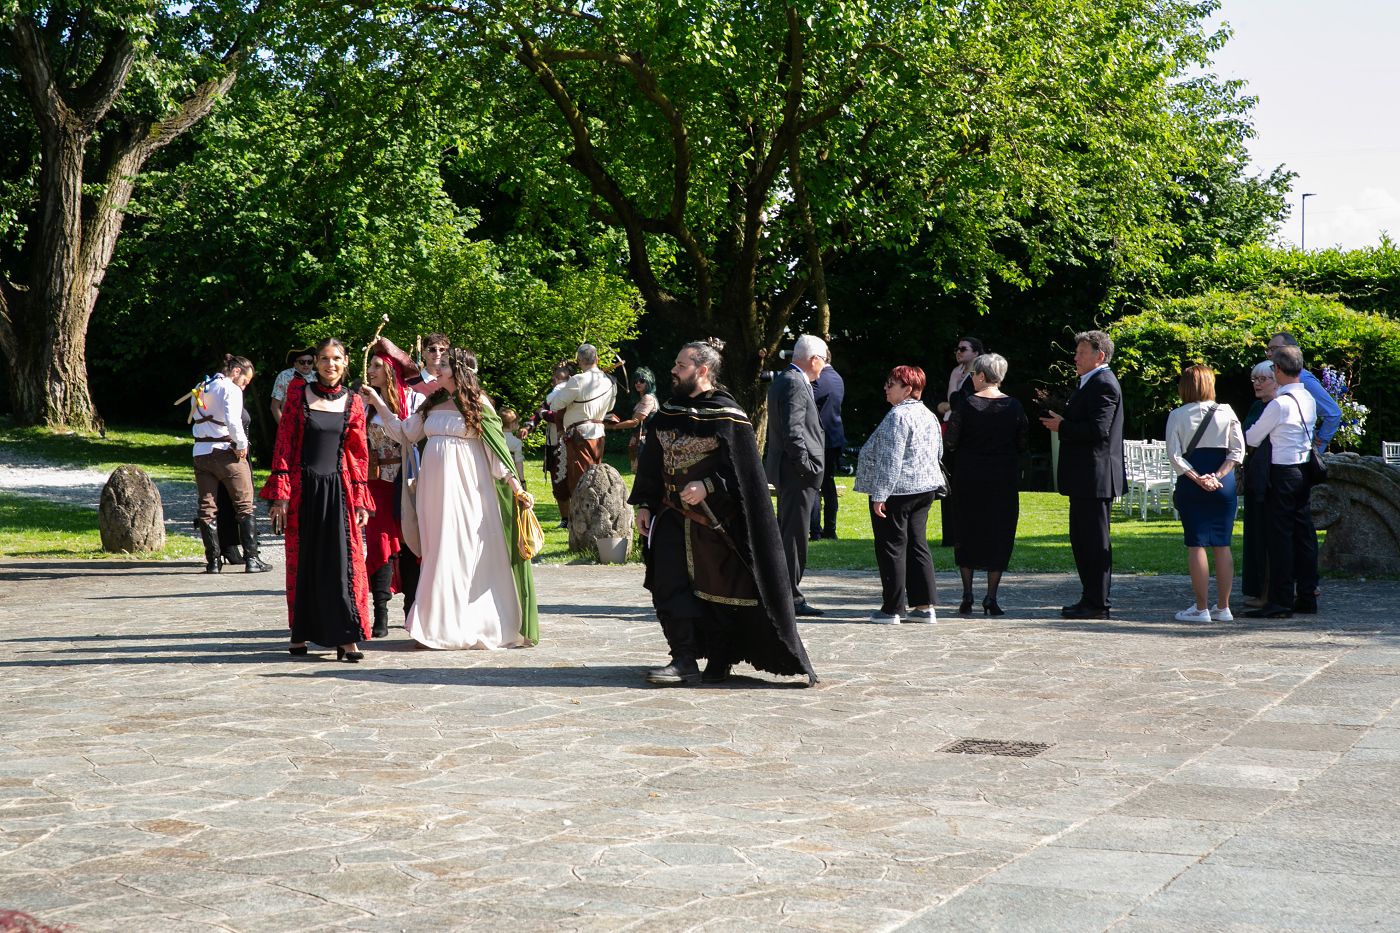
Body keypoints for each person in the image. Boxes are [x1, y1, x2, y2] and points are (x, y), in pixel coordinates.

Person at [629, 338, 817, 687]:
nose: (673, 370)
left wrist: (708, 486)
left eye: (681, 365)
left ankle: (720, 657)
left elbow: (745, 475)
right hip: (670, 516)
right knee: (669, 587)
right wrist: (644, 503)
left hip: (715, 524)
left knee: (718, 592)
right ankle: (683, 659)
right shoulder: (669, 410)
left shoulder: (728, 414)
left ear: (702, 370)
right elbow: (652, 463)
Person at [361, 348, 539, 650]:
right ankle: (435, 626)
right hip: (433, 491)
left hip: (468, 490)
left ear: (459, 371)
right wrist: (377, 402)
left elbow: (496, 451)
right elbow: (405, 433)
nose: (436, 367)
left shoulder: (478, 403)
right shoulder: (432, 402)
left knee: (461, 550)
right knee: (436, 550)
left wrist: (516, 486)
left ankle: (465, 624)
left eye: (444, 364)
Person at [261, 338, 374, 662]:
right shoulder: (298, 394)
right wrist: (281, 495)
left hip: (339, 491)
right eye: (324, 358)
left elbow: (358, 453)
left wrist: (360, 498)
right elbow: (284, 443)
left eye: (336, 358)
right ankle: (300, 634)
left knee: (341, 564)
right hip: (303, 491)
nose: (330, 364)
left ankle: (346, 638)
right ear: (316, 362)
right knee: (305, 563)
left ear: (345, 361)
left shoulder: (354, 401)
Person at [1040, 330, 1125, 619]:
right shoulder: (1090, 381)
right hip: (1085, 478)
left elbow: (1099, 430)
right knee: (1082, 541)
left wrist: (1062, 427)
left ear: (1099, 356)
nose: (1075, 358)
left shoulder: (1104, 383)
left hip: (1095, 478)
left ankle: (1098, 603)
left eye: (1081, 353)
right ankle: (1090, 598)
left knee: (1094, 543)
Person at [853, 365, 945, 624]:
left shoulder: (898, 416)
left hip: (898, 492)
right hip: (925, 489)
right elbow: (938, 453)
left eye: (891, 384)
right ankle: (924, 607)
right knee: (917, 545)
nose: (886, 388)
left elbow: (890, 460)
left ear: (908, 389)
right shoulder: (929, 414)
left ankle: (892, 609)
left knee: (891, 547)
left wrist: (880, 495)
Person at [944, 353, 1027, 616]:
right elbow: (1022, 442)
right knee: (999, 532)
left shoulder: (967, 404)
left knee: (966, 529)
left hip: (969, 475)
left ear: (981, 375)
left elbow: (951, 441)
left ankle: (967, 593)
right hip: (1002, 477)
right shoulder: (1014, 406)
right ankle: (991, 595)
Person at [1244, 345, 1320, 618]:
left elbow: (1252, 437)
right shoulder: (1308, 398)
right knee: (1304, 535)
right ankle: (1307, 595)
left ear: (1277, 370)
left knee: (1280, 538)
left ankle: (1281, 600)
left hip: (1282, 473)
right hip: (1303, 469)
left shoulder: (1280, 403)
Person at [1165, 365, 1246, 623]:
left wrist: (1198, 478)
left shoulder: (1177, 415)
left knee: (1196, 543)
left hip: (1192, 483)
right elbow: (1237, 452)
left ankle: (1201, 609)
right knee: (1222, 544)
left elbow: (1174, 455)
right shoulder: (1227, 412)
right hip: (1224, 484)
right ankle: (1224, 607)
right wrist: (1217, 476)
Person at [190, 354, 271, 574]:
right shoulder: (230, 389)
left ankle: (213, 562)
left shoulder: (201, 386)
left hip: (201, 453)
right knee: (244, 505)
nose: (243, 387)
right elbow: (233, 421)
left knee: (207, 508)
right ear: (236, 371)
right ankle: (252, 559)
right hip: (226, 452)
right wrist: (241, 445)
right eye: (244, 381)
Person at [362, 353, 424, 638]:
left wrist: (379, 402)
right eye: (370, 365)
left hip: (407, 481)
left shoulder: (412, 400)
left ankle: (411, 608)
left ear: (391, 370)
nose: (370, 370)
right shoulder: (362, 402)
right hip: (376, 483)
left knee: (410, 542)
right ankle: (381, 613)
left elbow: (407, 435)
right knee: (380, 544)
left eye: (377, 366)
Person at [764, 334, 827, 616]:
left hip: (792, 471)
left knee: (790, 533)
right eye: (824, 360)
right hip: (796, 473)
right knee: (794, 536)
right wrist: (806, 466)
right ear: (813, 359)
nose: (824, 366)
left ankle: (784, 593)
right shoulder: (793, 382)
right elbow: (793, 432)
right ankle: (790, 597)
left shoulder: (787, 379)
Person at [550, 343, 618, 515]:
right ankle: (592, 516)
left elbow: (555, 404)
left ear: (579, 361)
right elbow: (610, 407)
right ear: (597, 359)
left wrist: (564, 391)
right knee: (595, 478)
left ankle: (584, 519)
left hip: (579, 435)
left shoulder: (577, 380)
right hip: (599, 433)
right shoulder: (610, 381)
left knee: (580, 480)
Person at [936, 336, 984, 547]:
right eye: (957, 349)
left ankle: (961, 533)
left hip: (964, 434)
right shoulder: (957, 372)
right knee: (948, 481)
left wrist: (952, 391)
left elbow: (957, 403)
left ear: (976, 352)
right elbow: (946, 404)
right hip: (950, 429)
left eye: (963, 349)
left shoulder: (978, 375)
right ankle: (951, 535)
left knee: (961, 483)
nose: (958, 352)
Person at [1240, 361, 1278, 609]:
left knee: (1269, 535)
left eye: (1263, 379)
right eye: (1255, 379)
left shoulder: (1278, 406)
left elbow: (1253, 437)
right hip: (1255, 474)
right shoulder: (1256, 406)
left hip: (1271, 476)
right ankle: (1257, 588)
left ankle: (1269, 591)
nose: (1257, 383)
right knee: (1255, 534)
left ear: (1276, 381)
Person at [521, 361, 577, 527]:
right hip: (553, 442)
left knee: (573, 480)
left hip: (570, 441)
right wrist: (528, 426)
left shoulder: (572, 391)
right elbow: (539, 412)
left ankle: (577, 517)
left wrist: (544, 414)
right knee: (557, 482)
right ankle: (565, 519)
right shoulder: (553, 393)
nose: (555, 374)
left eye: (559, 370)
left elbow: (560, 416)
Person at [1267, 332, 1341, 451]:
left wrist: (1320, 442)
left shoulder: (1303, 378)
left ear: (1291, 350)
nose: (1269, 354)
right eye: (1268, 350)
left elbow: (1333, 413)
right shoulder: (1276, 376)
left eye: (1274, 349)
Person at [809, 356, 846, 541]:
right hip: (833, 438)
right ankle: (830, 529)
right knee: (828, 484)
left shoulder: (818, 380)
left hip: (819, 439)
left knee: (814, 484)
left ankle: (815, 530)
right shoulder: (837, 377)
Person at [604, 366, 660, 471]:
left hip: (646, 441)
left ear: (648, 382)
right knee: (640, 473)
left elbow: (634, 422)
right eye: (636, 381)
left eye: (642, 380)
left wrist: (610, 427)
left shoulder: (648, 398)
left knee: (644, 473)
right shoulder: (642, 399)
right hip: (640, 440)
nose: (638, 383)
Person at [270, 348, 314, 424]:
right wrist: (283, 427)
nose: (306, 365)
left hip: (313, 425)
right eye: (302, 362)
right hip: (291, 424)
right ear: (295, 363)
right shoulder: (284, 376)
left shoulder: (318, 376)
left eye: (309, 362)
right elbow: (274, 407)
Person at [500, 408, 526, 482]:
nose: (518, 425)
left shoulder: (496, 437)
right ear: (512, 424)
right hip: (510, 476)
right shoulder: (516, 442)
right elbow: (518, 462)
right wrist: (522, 480)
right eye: (517, 422)